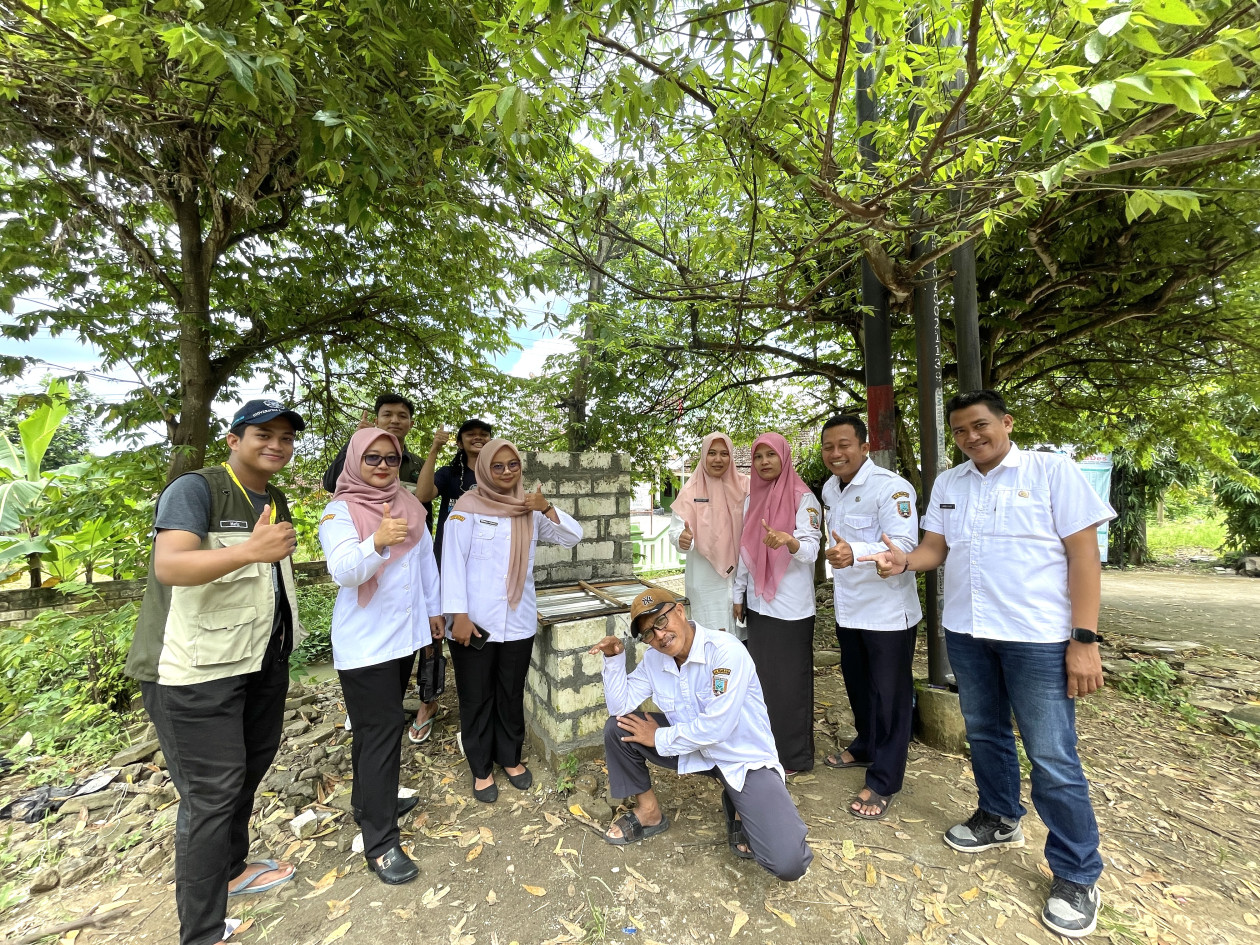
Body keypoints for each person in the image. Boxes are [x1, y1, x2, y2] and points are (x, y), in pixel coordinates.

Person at [862, 389, 1115, 940]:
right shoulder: (950, 483)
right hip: (969, 632)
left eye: (980, 425)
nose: (971, 437)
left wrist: (1085, 638)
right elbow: (935, 549)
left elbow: (1083, 554)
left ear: (1006, 422)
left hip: (1038, 637)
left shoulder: (1052, 471)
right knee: (985, 732)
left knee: (1051, 754)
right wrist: (904, 561)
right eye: (960, 431)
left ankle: (1077, 873)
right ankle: (1000, 816)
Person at [125, 399, 306, 945]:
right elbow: (171, 565)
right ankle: (201, 930)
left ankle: (232, 868)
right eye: (263, 434)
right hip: (192, 671)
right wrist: (249, 551)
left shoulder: (273, 497)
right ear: (234, 439)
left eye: (285, 437)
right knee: (211, 793)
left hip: (257, 661)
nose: (276, 445)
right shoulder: (196, 489)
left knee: (247, 770)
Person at [588, 587, 812, 882]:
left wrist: (659, 738)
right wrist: (614, 659)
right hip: (694, 750)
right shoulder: (655, 660)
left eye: (661, 621)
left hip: (742, 759)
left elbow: (718, 728)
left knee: (789, 862)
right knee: (619, 728)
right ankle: (649, 812)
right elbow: (620, 707)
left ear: (680, 611)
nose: (659, 636)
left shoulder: (725, 651)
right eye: (648, 634)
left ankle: (739, 801)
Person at [319, 428, 444, 886]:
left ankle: (371, 802)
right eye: (372, 458)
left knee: (376, 732)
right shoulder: (339, 511)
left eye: (392, 458)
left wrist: (434, 612)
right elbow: (344, 572)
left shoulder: (410, 505)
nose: (383, 466)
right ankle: (380, 842)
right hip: (366, 644)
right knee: (381, 733)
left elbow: (425, 563)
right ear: (355, 461)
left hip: (403, 638)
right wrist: (377, 540)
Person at [441, 438, 582, 803]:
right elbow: (452, 563)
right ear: (484, 469)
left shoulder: (528, 509)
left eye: (513, 465)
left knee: (510, 692)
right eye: (498, 466)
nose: (506, 472)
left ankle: (509, 757)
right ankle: (481, 767)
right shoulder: (466, 509)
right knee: (476, 697)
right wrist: (458, 615)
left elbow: (572, 538)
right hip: (475, 623)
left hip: (518, 621)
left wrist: (546, 506)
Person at [817, 415, 922, 820]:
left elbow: (905, 543)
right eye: (828, 447)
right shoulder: (830, 488)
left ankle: (885, 779)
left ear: (864, 447)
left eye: (844, 445)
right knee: (858, 685)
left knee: (891, 696)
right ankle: (865, 745)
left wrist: (856, 552)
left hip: (888, 612)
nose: (836, 453)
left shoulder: (892, 487)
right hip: (849, 609)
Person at [731, 432, 821, 774]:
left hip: (791, 608)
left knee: (790, 684)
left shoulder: (804, 498)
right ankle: (765, 749)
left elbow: (811, 550)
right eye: (758, 456)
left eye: (771, 455)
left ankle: (794, 757)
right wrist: (738, 594)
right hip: (758, 605)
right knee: (763, 681)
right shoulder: (752, 500)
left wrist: (790, 542)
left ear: (784, 457)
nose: (764, 462)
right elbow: (746, 551)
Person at [669, 432, 749, 639]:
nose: (718, 459)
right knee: (709, 638)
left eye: (724, 453)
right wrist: (682, 539)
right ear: (704, 455)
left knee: (741, 641)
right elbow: (676, 530)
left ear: (731, 456)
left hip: (741, 575)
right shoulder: (690, 491)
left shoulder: (746, 487)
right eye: (712, 453)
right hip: (705, 578)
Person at [417, 417, 493, 562]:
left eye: (484, 434)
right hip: (448, 552)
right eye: (470, 434)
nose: (478, 437)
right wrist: (435, 449)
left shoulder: (499, 476)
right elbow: (422, 495)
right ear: (460, 443)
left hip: (485, 553)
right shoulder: (448, 473)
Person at [322, 394, 423, 497]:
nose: (395, 420)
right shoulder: (361, 458)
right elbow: (330, 484)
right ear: (376, 422)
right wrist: (355, 440)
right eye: (387, 415)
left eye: (402, 416)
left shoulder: (420, 465)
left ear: (411, 424)